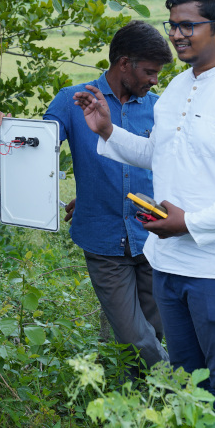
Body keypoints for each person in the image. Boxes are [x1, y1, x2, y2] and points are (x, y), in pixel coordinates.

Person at [73, 0, 215, 422]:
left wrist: (191, 222)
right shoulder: (174, 90)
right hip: (171, 264)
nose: (176, 35)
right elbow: (160, 154)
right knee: (188, 381)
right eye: (172, 25)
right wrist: (107, 131)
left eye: (187, 26)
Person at [43, 20, 172, 374]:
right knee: (134, 336)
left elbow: (173, 166)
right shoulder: (74, 101)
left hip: (153, 236)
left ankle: (136, 402)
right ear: (124, 63)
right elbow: (33, 145)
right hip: (102, 238)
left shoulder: (160, 108)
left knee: (153, 331)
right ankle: (181, 386)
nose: (154, 80)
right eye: (149, 71)